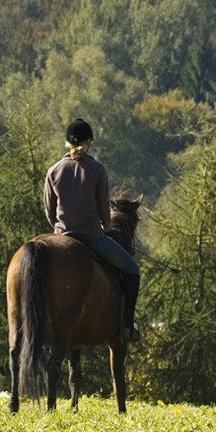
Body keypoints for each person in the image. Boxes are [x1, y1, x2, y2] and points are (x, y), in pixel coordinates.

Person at [43, 118, 141, 342]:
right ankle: (126, 327)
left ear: (67, 143)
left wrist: (60, 230)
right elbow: (103, 209)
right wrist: (105, 227)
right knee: (132, 270)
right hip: (92, 237)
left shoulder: (53, 171)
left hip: (63, 236)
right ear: (88, 143)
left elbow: (49, 211)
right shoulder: (96, 170)